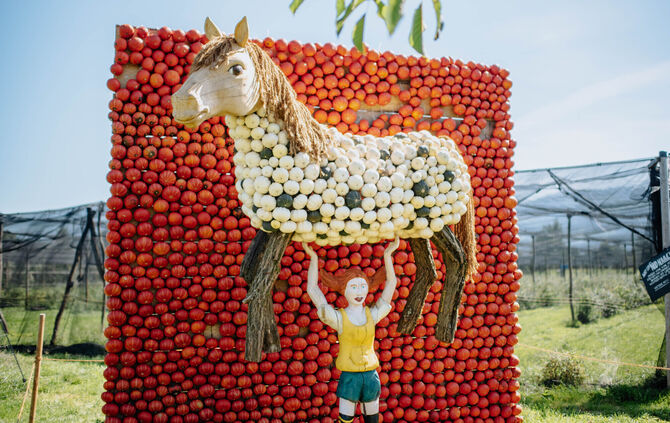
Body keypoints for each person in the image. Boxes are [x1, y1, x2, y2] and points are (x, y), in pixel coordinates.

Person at [302, 236, 400, 423]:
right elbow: (313, 290)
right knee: (345, 419)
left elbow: (391, 285)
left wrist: (388, 255)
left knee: (372, 419)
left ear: (368, 289)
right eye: (353, 287)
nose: (358, 292)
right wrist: (313, 258)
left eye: (362, 287)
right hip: (350, 378)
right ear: (343, 290)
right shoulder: (339, 318)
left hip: (371, 376)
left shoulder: (372, 314)